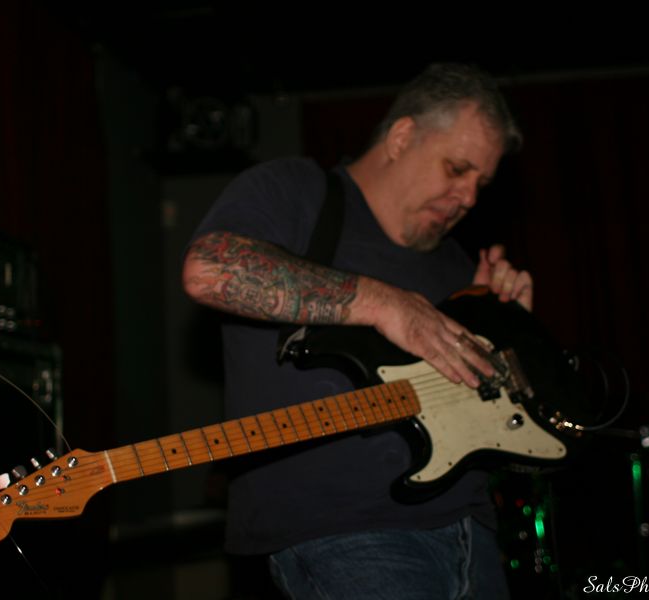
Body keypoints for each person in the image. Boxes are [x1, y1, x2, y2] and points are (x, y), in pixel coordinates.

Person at [181, 63, 531, 599]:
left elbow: (496, 420)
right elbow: (209, 270)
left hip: (473, 532)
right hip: (343, 530)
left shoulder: (458, 265)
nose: (468, 197)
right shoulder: (300, 192)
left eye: (480, 184)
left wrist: (507, 333)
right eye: (457, 169)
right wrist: (385, 304)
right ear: (402, 136)